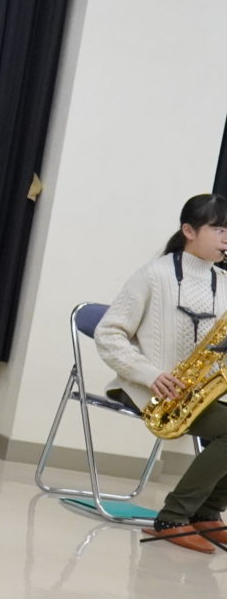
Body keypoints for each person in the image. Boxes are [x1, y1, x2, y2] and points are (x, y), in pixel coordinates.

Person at [94, 193, 227, 554]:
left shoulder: (223, 281)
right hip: (147, 388)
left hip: (197, 391)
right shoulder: (153, 275)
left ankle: (207, 513)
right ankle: (172, 517)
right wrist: (149, 374)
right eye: (218, 229)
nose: (226, 238)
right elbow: (108, 334)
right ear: (188, 231)